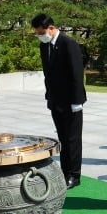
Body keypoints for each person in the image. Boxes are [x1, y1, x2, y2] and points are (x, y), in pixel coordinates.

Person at [32, 13, 86, 189]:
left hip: (71, 100)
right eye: (37, 33)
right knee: (62, 138)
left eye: (41, 32)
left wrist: (77, 100)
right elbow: (49, 75)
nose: (40, 35)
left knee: (73, 139)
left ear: (51, 28)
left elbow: (77, 74)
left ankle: (74, 175)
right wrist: (49, 96)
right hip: (56, 100)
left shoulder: (68, 44)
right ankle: (65, 171)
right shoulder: (45, 46)